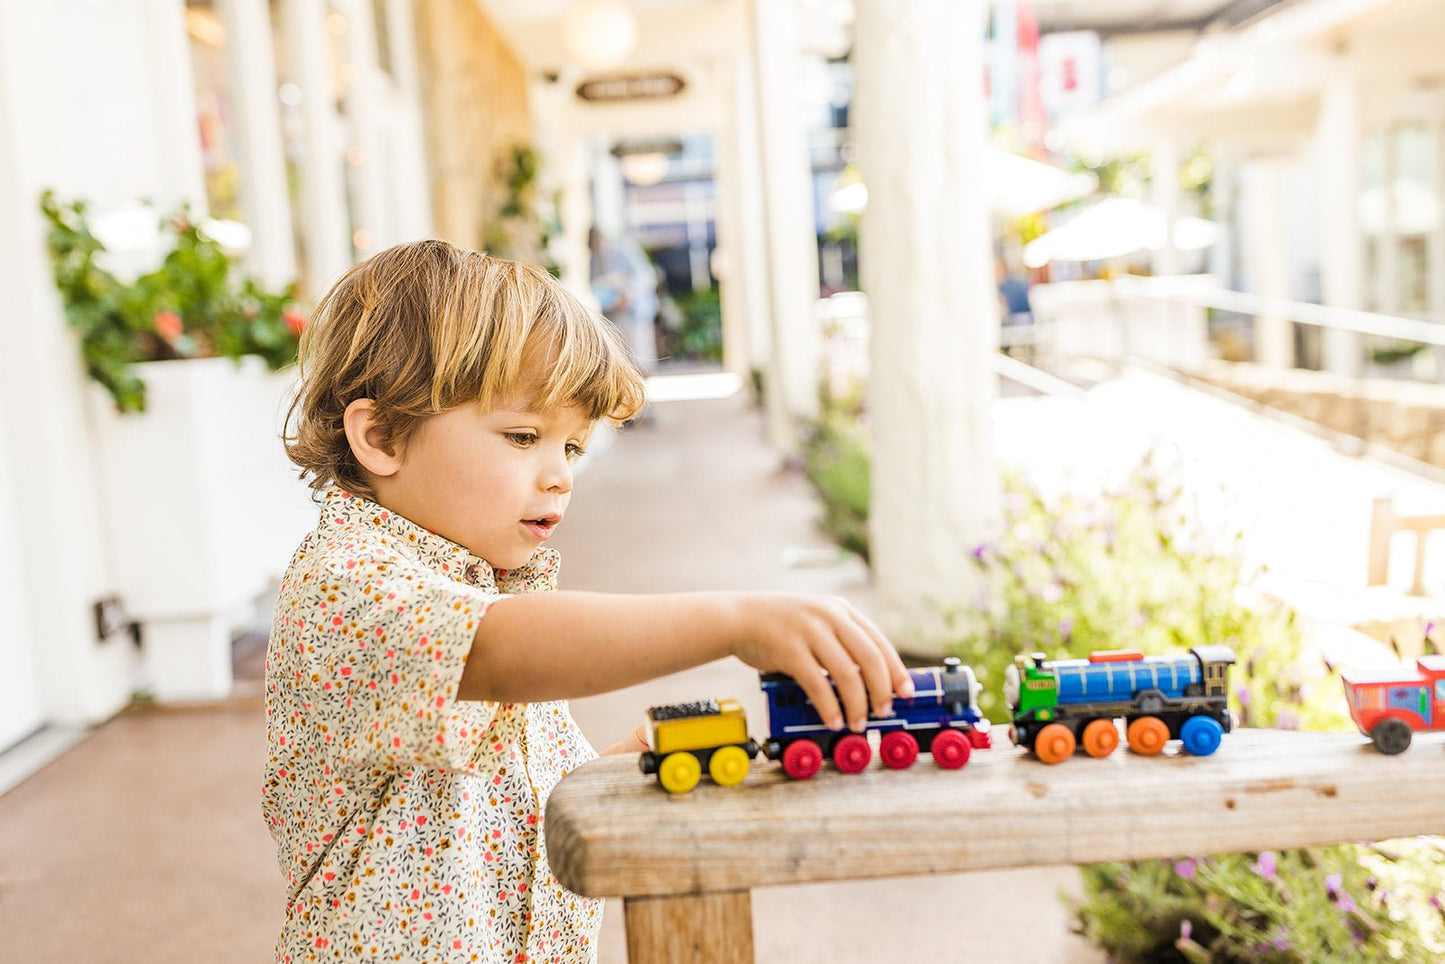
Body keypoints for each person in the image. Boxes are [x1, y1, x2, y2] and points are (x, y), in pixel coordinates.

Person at [266, 239, 912, 964]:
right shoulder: (347, 583)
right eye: (522, 437)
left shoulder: (476, 584)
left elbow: (493, 819)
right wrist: (733, 620)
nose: (559, 477)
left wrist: (603, 776)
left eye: (571, 448)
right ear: (380, 435)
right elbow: (495, 650)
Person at [588, 226, 659, 375]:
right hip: (613, 315)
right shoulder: (594, 261)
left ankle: (642, 389)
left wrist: (628, 295)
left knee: (640, 354)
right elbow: (596, 287)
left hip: (634, 312)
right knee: (621, 356)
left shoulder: (622, 251)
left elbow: (645, 276)